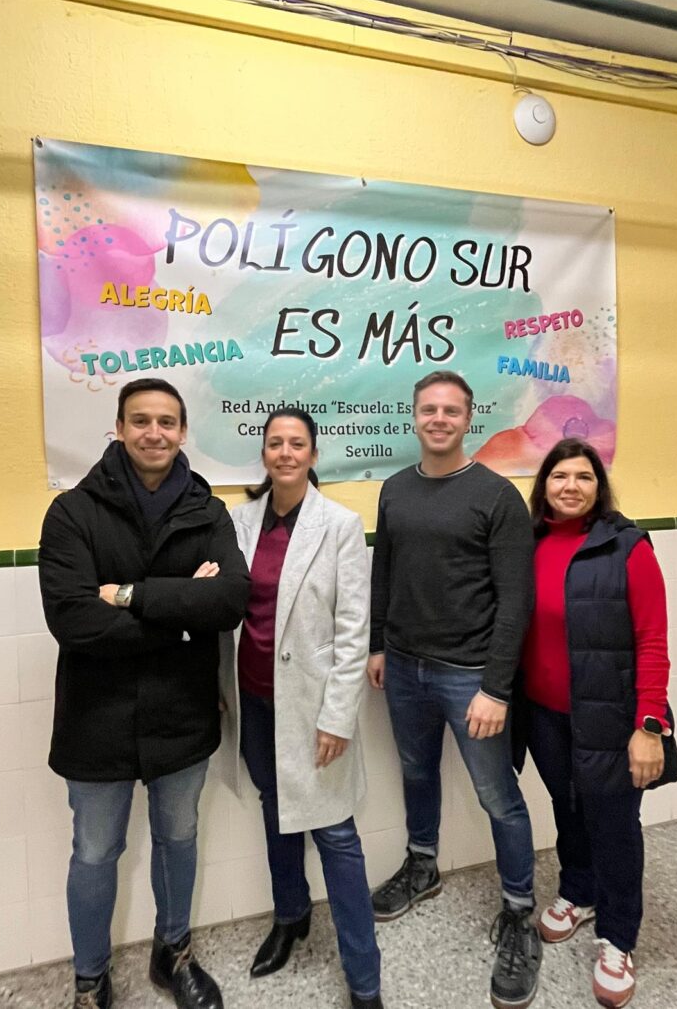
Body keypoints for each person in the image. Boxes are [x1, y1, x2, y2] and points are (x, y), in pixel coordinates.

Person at [38, 378, 250, 1009]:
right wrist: (182, 618)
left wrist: (129, 595)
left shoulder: (208, 511)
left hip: (182, 711)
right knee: (95, 851)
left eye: (166, 422)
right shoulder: (72, 512)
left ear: (182, 432)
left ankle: (173, 952)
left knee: (178, 839)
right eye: (140, 420)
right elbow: (73, 620)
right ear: (119, 427)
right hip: (95, 715)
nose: (153, 432)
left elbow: (229, 601)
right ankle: (90, 979)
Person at [367, 370, 541, 1009]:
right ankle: (422, 865)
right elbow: (383, 572)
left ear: (469, 419)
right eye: (428, 409)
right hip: (404, 668)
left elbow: (516, 601)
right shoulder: (394, 489)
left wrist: (496, 688)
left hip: (470, 677)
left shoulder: (497, 495)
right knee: (417, 774)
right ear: (413, 416)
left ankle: (519, 912)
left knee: (499, 797)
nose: (438, 419)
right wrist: (378, 644)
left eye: (450, 410)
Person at [219, 407, 383, 1009]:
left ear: (313, 455)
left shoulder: (339, 524)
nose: (285, 453)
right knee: (275, 808)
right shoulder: (238, 522)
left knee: (335, 833)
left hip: (314, 709)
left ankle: (364, 978)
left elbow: (353, 630)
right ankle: (290, 915)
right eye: (274, 444)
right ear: (263, 454)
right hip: (254, 700)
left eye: (296, 444)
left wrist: (337, 717)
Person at [521, 438, 671, 1008]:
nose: (571, 486)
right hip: (544, 715)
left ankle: (618, 936)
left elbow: (652, 640)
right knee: (568, 808)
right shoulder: (529, 542)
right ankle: (578, 891)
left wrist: (649, 725)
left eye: (583, 477)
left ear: (598, 486)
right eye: (560, 476)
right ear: (544, 485)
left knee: (614, 824)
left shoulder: (627, 546)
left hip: (610, 716)